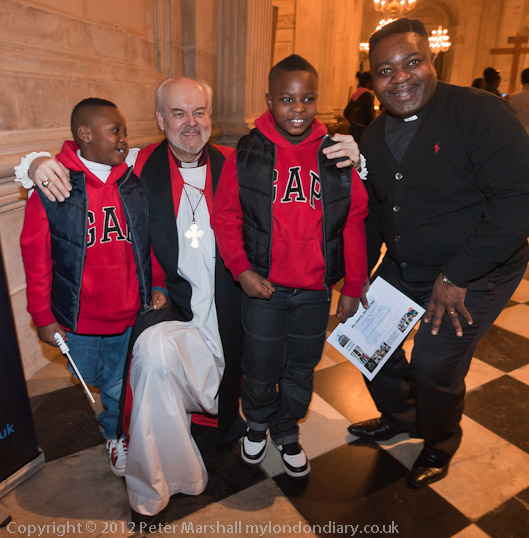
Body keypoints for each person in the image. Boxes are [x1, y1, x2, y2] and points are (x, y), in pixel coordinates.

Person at [16, 77, 361, 522]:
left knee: (275, 368)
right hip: (179, 311)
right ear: (160, 119)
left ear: (210, 117)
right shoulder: (136, 163)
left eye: (199, 112)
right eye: (178, 113)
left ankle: (254, 419)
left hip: (234, 311)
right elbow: (81, 164)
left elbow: (307, 176)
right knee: (151, 353)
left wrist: (354, 158)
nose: (191, 123)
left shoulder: (239, 162)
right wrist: (37, 163)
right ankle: (164, 477)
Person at [347, 18, 529, 489]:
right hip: (405, 265)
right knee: (363, 340)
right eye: (385, 70)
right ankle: (402, 417)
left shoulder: (480, 113)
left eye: (412, 62)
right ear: (373, 79)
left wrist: (457, 275)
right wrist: (357, 279)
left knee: (434, 362)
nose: (400, 78)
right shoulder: (373, 136)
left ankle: (440, 440)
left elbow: (525, 200)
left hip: (476, 270)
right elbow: (373, 214)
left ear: (433, 60)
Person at [211, 54, 368, 479]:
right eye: (286, 99)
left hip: (315, 290)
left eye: (307, 99)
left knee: (301, 366)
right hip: (265, 289)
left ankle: (286, 429)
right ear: (269, 101)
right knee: (261, 365)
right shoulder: (248, 152)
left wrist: (353, 284)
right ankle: (257, 422)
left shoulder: (334, 152)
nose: (298, 109)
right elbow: (226, 216)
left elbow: (353, 220)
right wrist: (242, 270)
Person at [19, 98, 167, 479]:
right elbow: (36, 257)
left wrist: (157, 283)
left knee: (117, 383)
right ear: (85, 134)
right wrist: (43, 316)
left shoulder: (131, 183)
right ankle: (113, 400)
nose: (124, 139)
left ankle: (116, 433)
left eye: (125, 132)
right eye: (115, 131)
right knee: (86, 373)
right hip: (77, 319)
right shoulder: (54, 187)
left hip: (126, 313)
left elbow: (147, 241)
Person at [344, 71, 376, 142]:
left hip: (354, 128)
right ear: (368, 83)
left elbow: (346, 112)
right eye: (373, 81)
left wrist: (353, 122)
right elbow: (369, 115)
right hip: (362, 130)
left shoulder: (357, 93)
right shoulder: (367, 95)